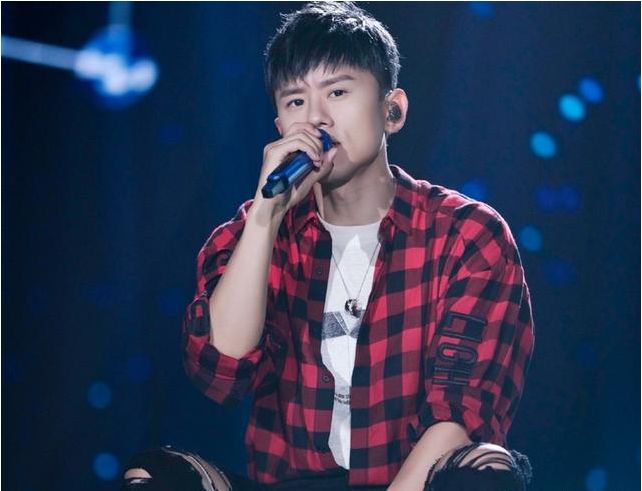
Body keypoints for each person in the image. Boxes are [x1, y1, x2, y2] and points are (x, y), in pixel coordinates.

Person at [122, 2, 535, 490]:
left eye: (337, 92)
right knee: (152, 475)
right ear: (279, 128)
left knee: (485, 468)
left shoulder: (466, 234)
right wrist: (266, 217)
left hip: (414, 478)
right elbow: (221, 371)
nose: (316, 118)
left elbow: (460, 412)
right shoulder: (250, 235)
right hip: (294, 482)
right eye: (296, 101)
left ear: (392, 110)